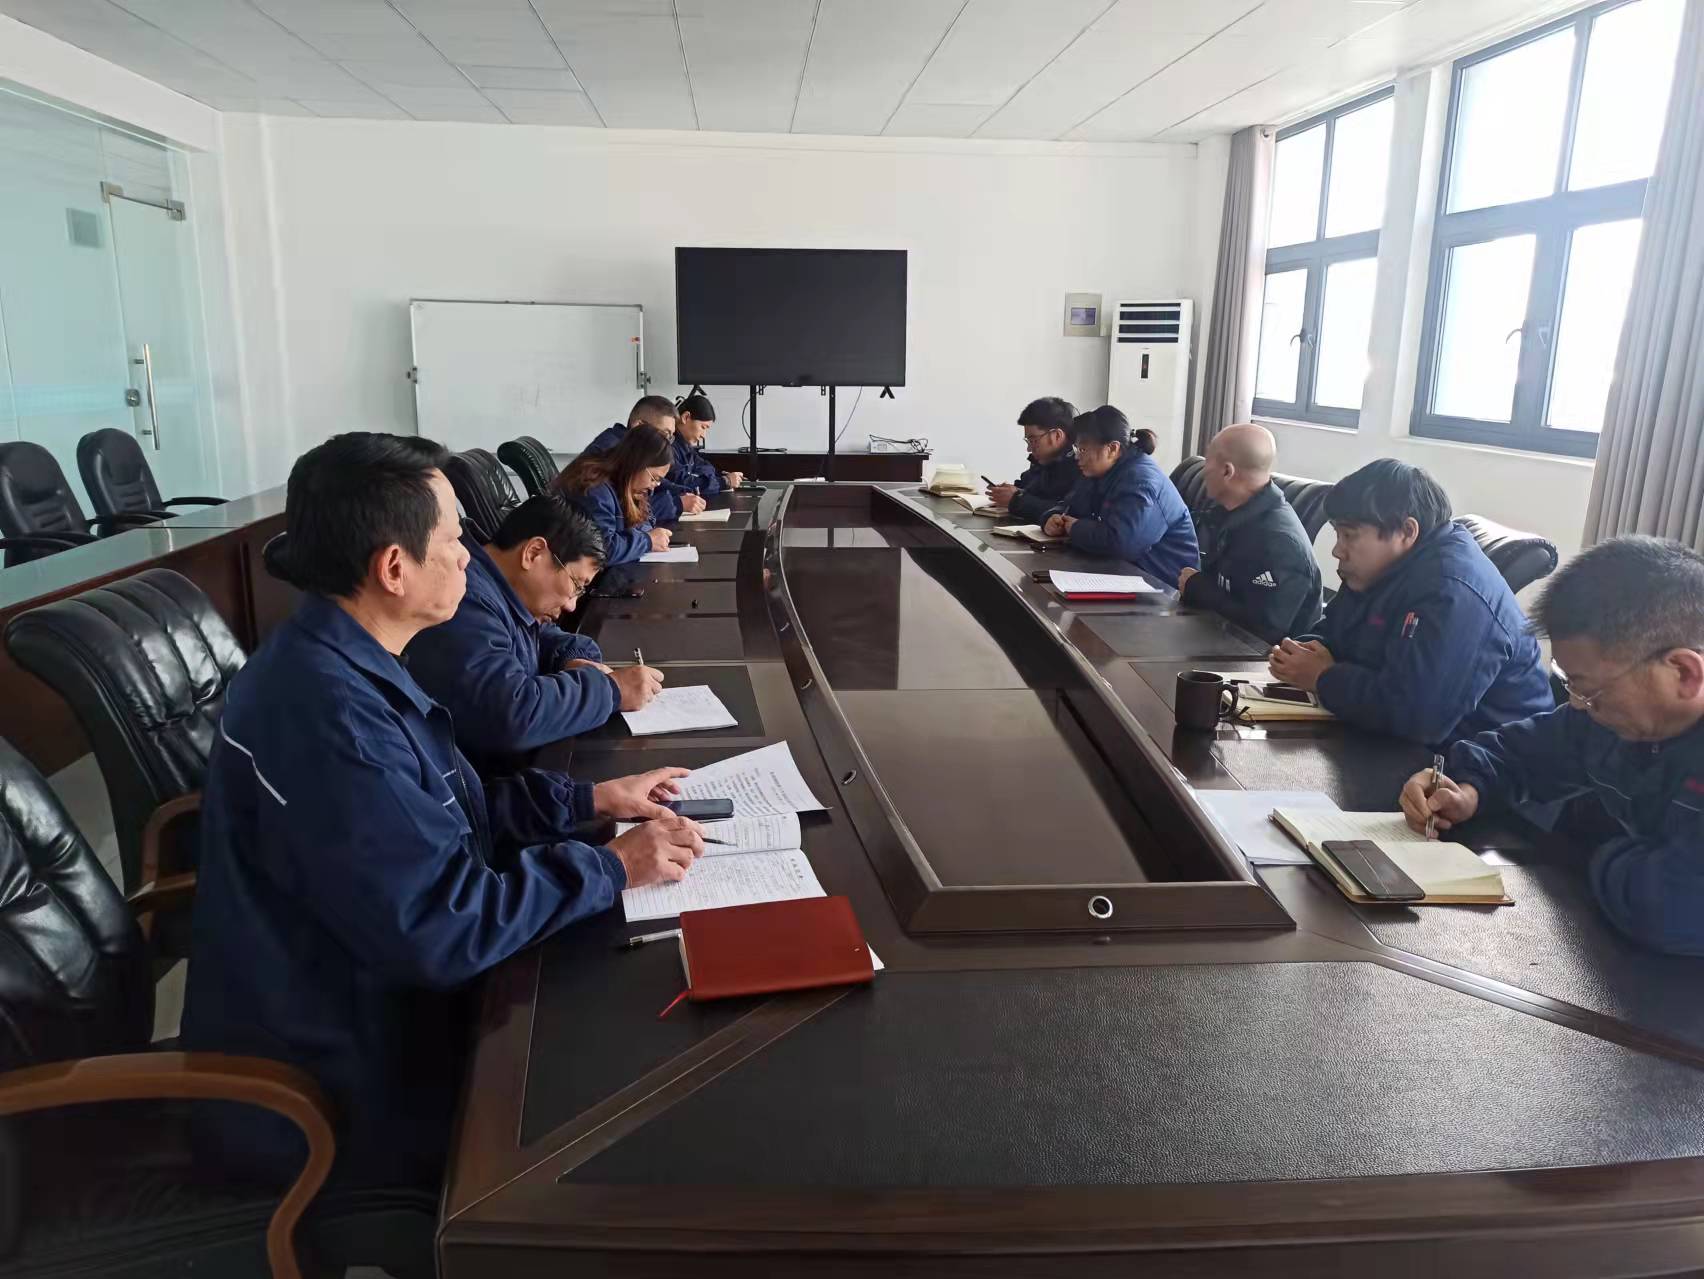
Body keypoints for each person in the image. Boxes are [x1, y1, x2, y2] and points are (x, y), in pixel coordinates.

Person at [181, 432, 705, 1198]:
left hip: (381, 1002)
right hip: (338, 1085)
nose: (470, 556)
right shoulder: (330, 717)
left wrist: (590, 800)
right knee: (622, 1106)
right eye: (455, 540)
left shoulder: (350, 660)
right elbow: (444, 923)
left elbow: (451, 808)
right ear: (394, 568)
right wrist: (612, 865)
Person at [1400, 537, 1704, 954]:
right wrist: (1464, 788)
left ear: (1684, 673)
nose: (1577, 704)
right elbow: (1520, 752)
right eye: (1570, 683)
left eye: (1589, 690)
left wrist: (1598, 853)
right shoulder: (1605, 719)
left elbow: (1671, 907)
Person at [1269, 458, 1552, 745]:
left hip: (1480, 758)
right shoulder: (1380, 568)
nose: (1337, 550)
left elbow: (1418, 717)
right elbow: (1334, 630)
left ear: (1406, 531)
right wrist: (1299, 654)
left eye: (1349, 536)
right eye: (1337, 534)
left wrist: (1323, 676)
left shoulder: (1452, 591)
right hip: (1391, 738)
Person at [406, 493, 665, 773]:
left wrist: (572, 658)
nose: (571, 605)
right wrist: (611, 691)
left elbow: (542, 635)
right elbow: (510, 714)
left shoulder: (502, 591)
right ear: (533, 553)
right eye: (576, 584)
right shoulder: (464, 599)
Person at [1178, 424, 1322, 644]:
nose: (1204, 470)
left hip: (1259, 659)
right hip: (1217, 639)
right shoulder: (1232, 515)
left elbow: (1264, 631)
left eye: (1208, 460)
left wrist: (1198, 588)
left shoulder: (1279, 542)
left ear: (1227, 471)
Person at [1041, 405, 1198, 581]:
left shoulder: (1141, 481)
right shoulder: (1098, 471)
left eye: (1083, 450)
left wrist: (1074, 528)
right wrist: (1052, 518)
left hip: (1161, 583)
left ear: (1113, 449)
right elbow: (1068, 506)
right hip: (1122, 573)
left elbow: (1123, 544)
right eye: (1076, 449)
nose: (1077, 457)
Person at [554, 424, 674, 565]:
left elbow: (646, 520)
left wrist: (647, 535)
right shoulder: (594, 488)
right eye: (654, 478)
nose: (654, 485)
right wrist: (647, 541)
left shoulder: (625, 484)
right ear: (637, 463)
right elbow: (600, 551)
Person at [585, 395, 700, 519]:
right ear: (639, 426)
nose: (667, 443)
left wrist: (682, 491)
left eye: (670, 437)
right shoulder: (609, 452)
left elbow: (655, 480)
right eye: (665, 434)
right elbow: (624, 509)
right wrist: (677, 504)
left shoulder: (632, 449)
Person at [987, 397, 1079, 523]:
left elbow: (1068, 512)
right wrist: (1009, 492)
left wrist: (1016, 500)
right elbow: (1028, 488)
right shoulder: (1043, 462)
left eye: (1034, 440)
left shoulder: (1081, 467)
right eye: (1028, 441)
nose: (1029, 449)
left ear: (1057, 435)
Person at [669, 392, 744, 495]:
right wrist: (724, 481)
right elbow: (683, 483)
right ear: (686, 417)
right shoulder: (667, 447)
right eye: (703, 427)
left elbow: (706, 467)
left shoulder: (685, 446)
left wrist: (717, 479)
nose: (703, 435)